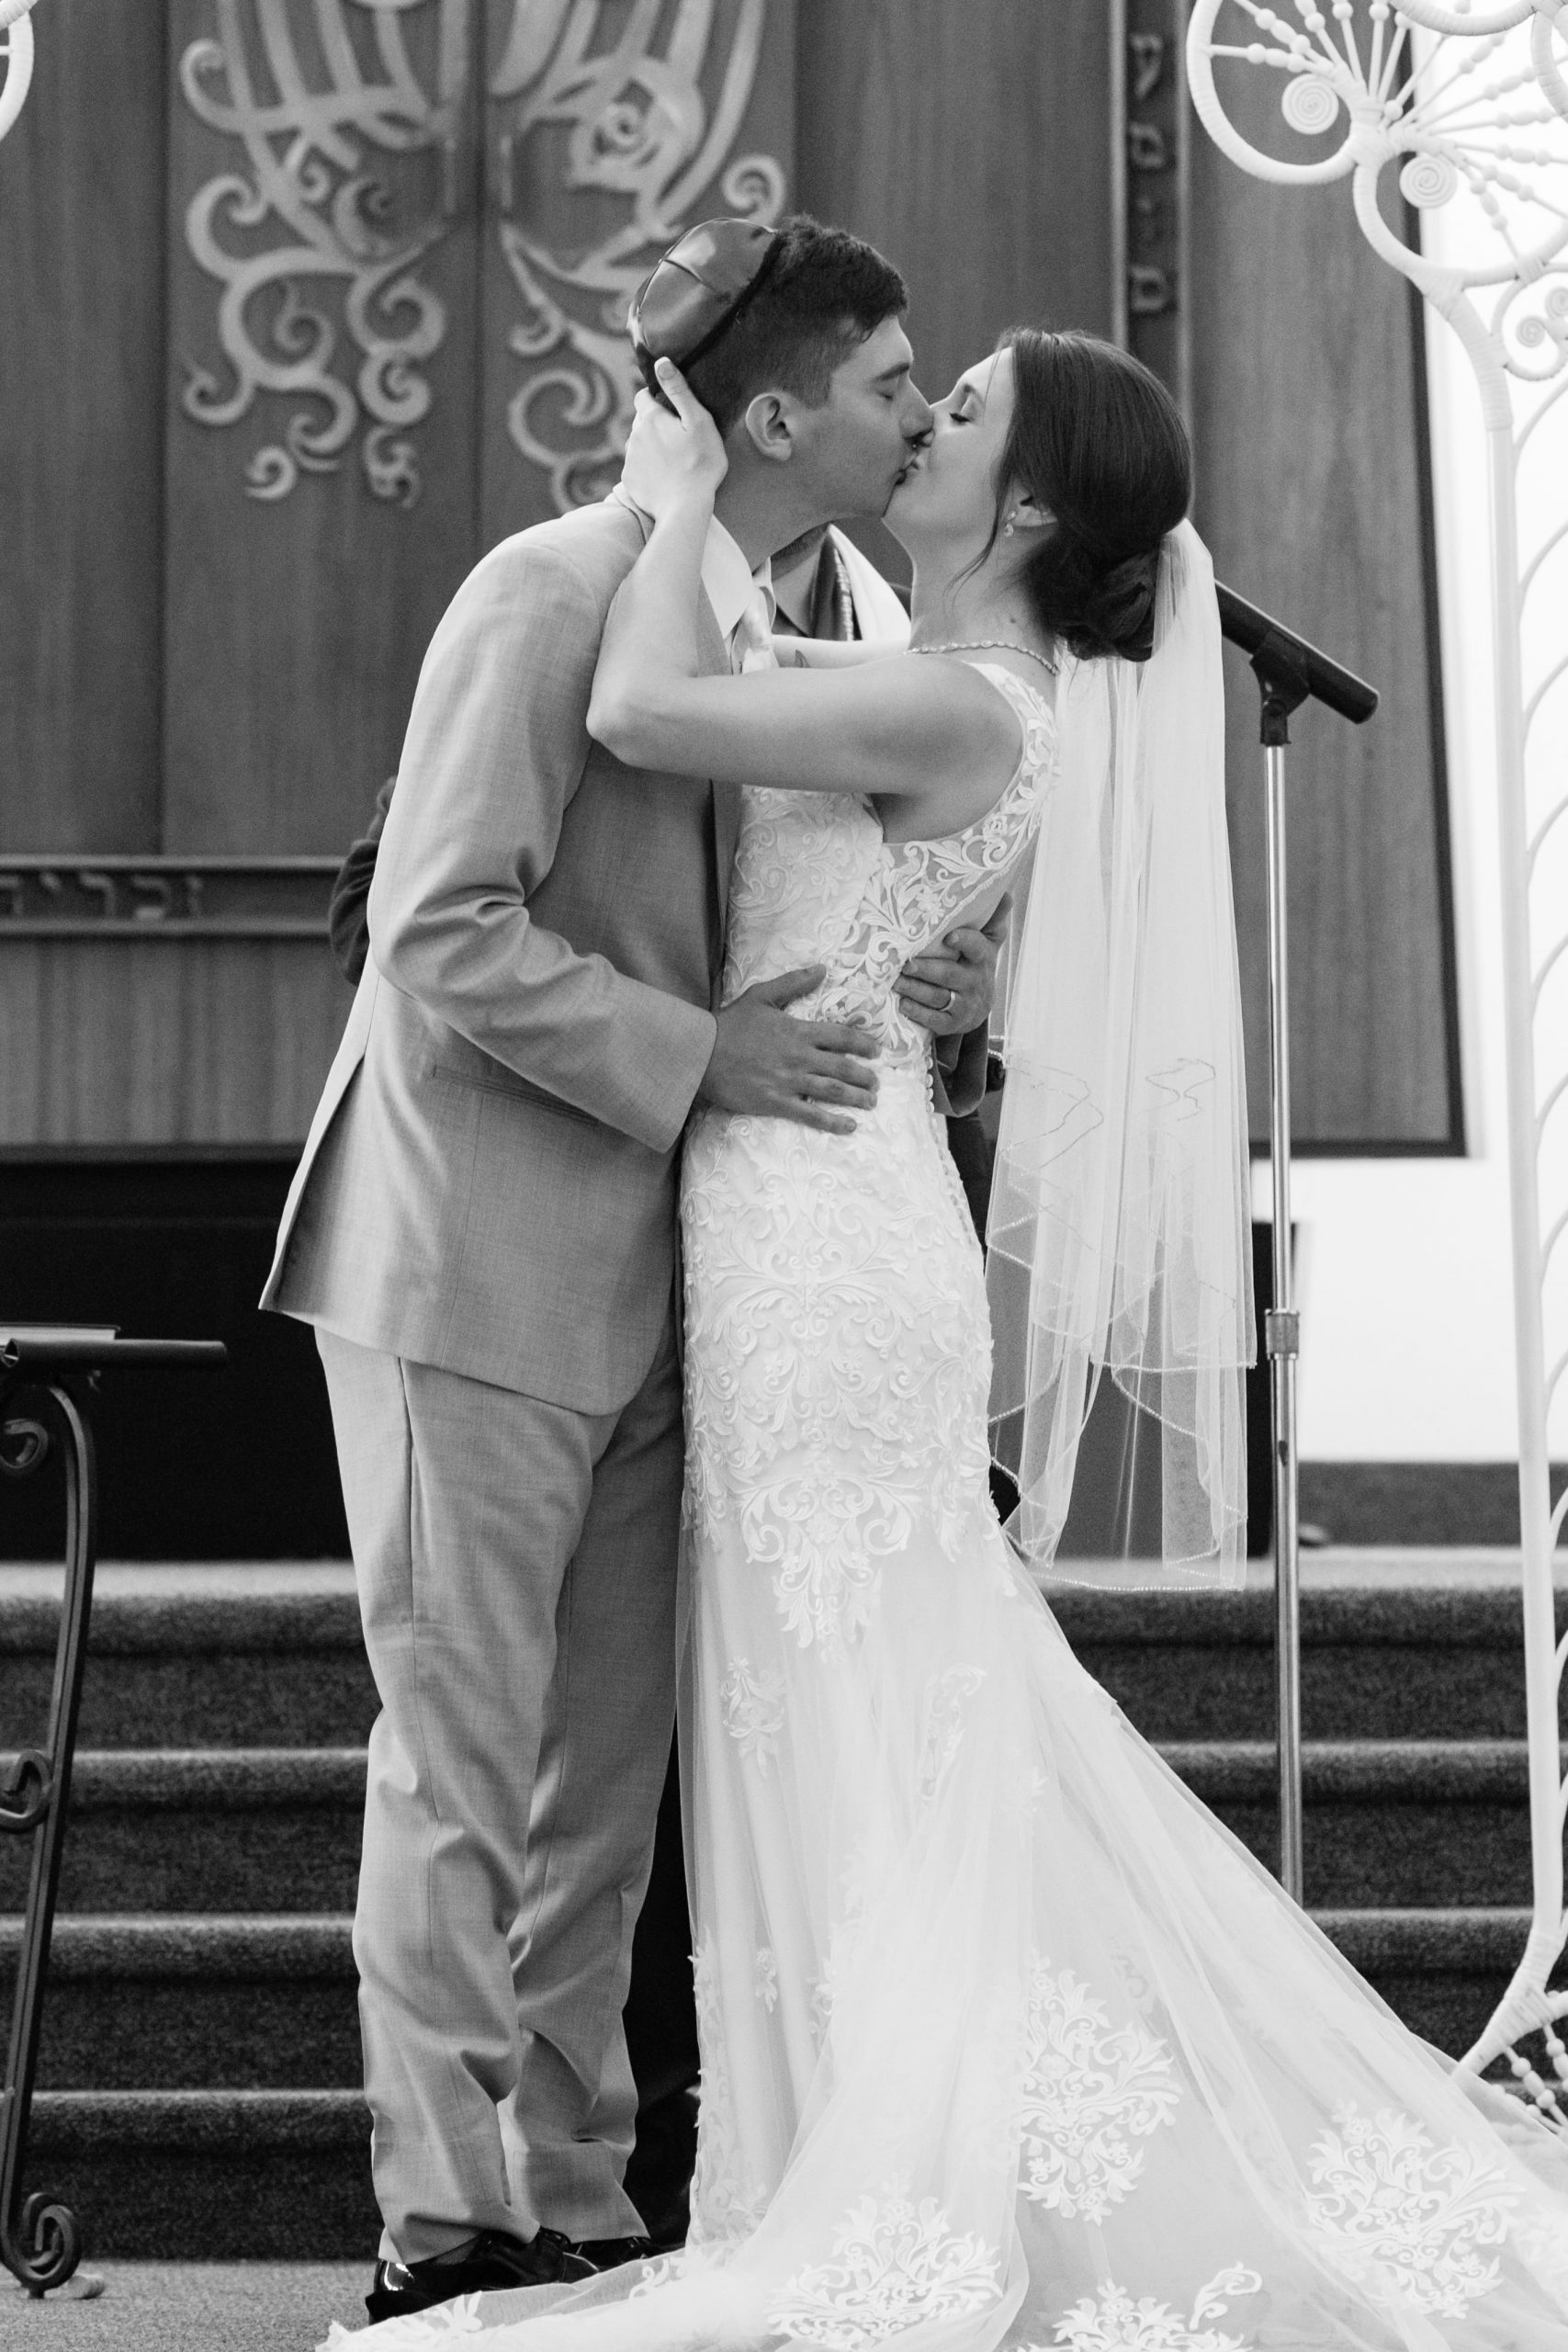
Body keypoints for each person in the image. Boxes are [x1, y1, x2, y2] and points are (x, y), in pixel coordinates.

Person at [330, 327, 1568, 2349]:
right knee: (843, 1708)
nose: (921, 420)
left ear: (1037, 502)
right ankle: (805, 2150)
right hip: (761, 1210)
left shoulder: (942, 685)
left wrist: (662, 486)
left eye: (961, 405)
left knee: (864, 1698)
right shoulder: (915, 661)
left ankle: (881, 2170)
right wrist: (920, 955)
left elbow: (652, 707)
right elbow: (795, 856)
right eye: (913, 387)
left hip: (812, 1240)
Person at [262, 216, 1005, 2329]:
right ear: (766, 411)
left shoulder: (818, 614)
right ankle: (437, 2211)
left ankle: (573, 2192)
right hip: (472, 1260)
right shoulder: (549, 589)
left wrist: (906, 962)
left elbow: (783, 901)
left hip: (688, 1275)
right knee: (462, 1757)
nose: (913, 410)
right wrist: (712, 1054)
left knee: (602, 1784)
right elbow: (440, 927)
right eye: (884, 379)